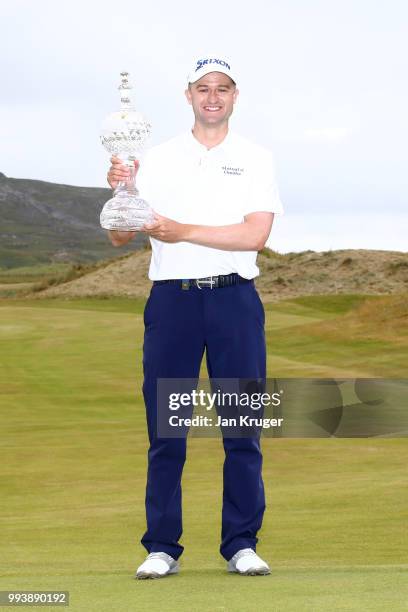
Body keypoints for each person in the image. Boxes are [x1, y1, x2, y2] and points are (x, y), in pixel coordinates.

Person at [106, 56, 284, 579]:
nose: (213, 97)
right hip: (172, 302)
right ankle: (161, 546)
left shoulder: (256, 158)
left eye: (222, 88)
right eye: (203, 88)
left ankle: (241, 544)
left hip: (234, 300)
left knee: (243, 428)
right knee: (167, 431)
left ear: (234, 96)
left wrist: (181, 229)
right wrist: (121, 191)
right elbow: (121, 235)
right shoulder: (155, 159)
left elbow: (254, 235)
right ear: (188, 95)